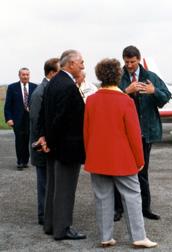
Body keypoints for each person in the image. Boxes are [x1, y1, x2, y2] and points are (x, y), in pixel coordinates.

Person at [84, 58, 157, 248]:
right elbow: (134, 134)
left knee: (102, 198)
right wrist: (139, 160)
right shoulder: (125, 101)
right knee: (132, 196)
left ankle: (105, 236)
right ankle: (138, 236)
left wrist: (88, 156)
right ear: (118, 75)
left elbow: (87, 132)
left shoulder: (91, 100)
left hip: (98, 157)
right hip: (123, 159)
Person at [118, 45, 171, 220]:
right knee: (120, 170)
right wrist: (127, 92)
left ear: (139, 60)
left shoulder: (151, 77)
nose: (129, 65)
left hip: (145, 132)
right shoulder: (119, 77)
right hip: (123, 133)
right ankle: (118, 209)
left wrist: (153, 91)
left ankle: (144, 208)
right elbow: (112, 101)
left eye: (132, 62)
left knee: (142, 171)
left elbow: (166, 96)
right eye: (126, 62)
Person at [41, 49, 86, 240]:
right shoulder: (68, 86)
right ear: (71, 64)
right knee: (65, 191)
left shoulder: (54, 82)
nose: (83, 66)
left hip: (54, 147)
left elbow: (46, 114)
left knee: (53, 187)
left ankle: (50, 225)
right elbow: (60, 119)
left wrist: (46, 139)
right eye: (81, 63)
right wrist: (50, 140)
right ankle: (62, 229)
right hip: (67, 148)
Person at [29, 58, 60, 225]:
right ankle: (43, 215)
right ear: (52, 73)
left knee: (49, 182)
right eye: (59, 71)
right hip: (42, 148)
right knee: (44, 183)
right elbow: (35, 122)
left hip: (48, 146)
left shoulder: (48, 89)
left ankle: (48, 213)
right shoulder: (40, 93)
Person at [4, 68, 37, 170]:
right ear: (19, 75)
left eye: (27, 74)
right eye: (23, 74)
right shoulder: (12, 87)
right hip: (17, 119)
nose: (25, 76)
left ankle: (25, 160)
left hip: (30, 119)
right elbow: (8, 105)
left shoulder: (34, 87)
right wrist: (8, 118)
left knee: (27, 139)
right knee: (19, 140)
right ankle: (20, 161)